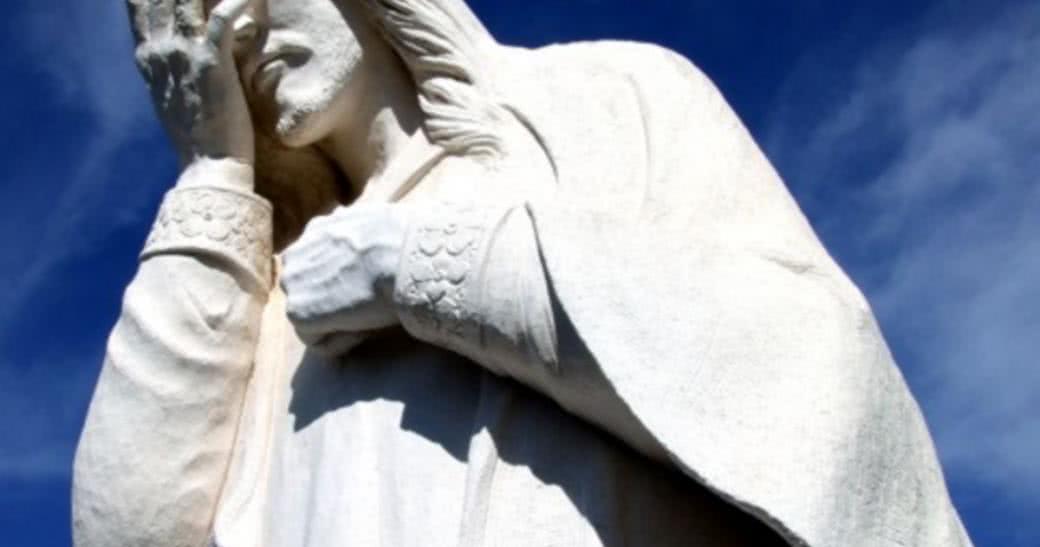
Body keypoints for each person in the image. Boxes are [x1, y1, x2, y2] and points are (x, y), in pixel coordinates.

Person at [73, 1, 972, 546]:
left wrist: (414, 264)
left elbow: (808, 371)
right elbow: (130, 530)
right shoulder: (265, 297)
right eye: (189, 17)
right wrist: (214, 176)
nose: (234, 26)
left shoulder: (609, 104)